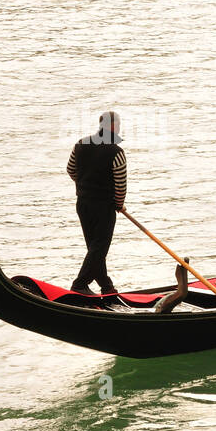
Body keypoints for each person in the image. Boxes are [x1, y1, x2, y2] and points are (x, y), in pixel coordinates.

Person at [67, 111, 126, 295]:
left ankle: (106, 286)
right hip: (104, 207)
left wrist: (84, 186)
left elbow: (70, 170)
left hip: (83, 204)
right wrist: (118, 203)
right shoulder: (117, 152)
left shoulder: (80, 144)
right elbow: (120, 184)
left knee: (94, 247)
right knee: (99, 248)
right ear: (114, 126)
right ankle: (79, 285)